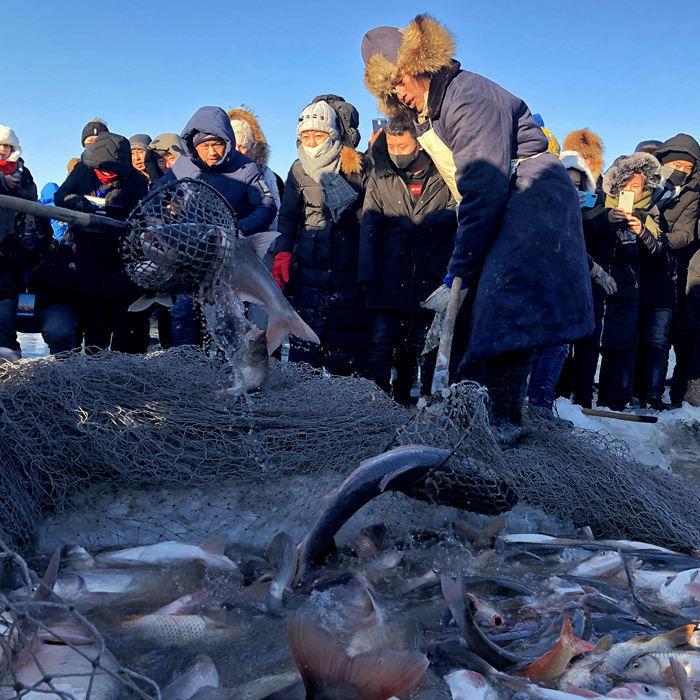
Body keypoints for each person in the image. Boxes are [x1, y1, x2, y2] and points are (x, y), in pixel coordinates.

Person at [361, 15, 593, 442]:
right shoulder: (432, 111)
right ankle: (485, 418)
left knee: (504, 311)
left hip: (530, 201)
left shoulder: (467, 97)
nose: (399, 95)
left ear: (415, 66)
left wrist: (460, 268)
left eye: (399, 83)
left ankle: (501, 426)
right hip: (507, 204)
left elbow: (483, 190)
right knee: (487, 315)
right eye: (389, 90)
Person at [157, 106, 277, 346]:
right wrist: (154, 217)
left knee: (228, 315)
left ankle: (230, 370)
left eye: (218, 145)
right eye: (204, 146)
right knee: (184, 311)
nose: (212, 152)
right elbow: (158, 193)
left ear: (228, 142)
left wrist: (240, 230)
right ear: (193, 145)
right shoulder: (181, 166)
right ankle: (187, 366)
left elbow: (266, 206)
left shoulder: (246, 168)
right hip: (191, 252)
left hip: (228, 252)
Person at [358, 114, 456, 403]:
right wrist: (366, 274)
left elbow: (456, 211)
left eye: (403, 147)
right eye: (392, 147)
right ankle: (376, 402)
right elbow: (369, 225)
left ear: (420, 146)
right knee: (380, 343)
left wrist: (427, 224)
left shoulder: (444, 174)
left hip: (430, 274)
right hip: (388, 271)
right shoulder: (380, 175)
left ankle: (408, 398)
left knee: (417, 346)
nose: (396, 153)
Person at [272, 98, 370, 376]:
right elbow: (289, 216)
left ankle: (345, 406)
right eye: (306, 135)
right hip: (308, 270)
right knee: (305, 349)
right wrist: (283, 252)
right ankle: (301, 407)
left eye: (319, 134)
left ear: (333, 134)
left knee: (346, 348)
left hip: (347, 269)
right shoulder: (297, 169)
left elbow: (370, 215)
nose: (312, 141)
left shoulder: (355, 166)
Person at [55, 131, 149, 353]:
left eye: (113, 172)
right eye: (103, 170)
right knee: (92, 316)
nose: (107, 174)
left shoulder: (136, 181)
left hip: (120, 256)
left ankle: (122, 367)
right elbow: (61, 196)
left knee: (121, 317)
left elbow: (137, 216)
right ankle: (92, 361)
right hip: (86, 251)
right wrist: (77, 202)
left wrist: (111, 212)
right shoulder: (82, 170)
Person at [585, 153, 662, 410]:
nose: (630, 189)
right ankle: (580, 397)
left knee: (619, 346)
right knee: (587, 342)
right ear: (616, 183)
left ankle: (611, 401)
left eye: (636, 185)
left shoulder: (650, 212)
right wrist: (605, 219)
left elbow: (657, 252)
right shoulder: (597, 201)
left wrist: (641, 232)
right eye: (626, 184)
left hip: (628, 289)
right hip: (594, 285)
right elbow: (580, 231)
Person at [0, 126, 78, 355]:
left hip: (44, 299)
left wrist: (41, 245)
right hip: (6, 278)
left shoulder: (23, 174)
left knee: (60, 326)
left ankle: (68, 370)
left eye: (5, 146)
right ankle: (8, 368)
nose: (2, 151)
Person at [651, 134, 700, 407]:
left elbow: (688, 233)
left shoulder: (691, 196)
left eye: (688, 169)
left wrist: (660, 241)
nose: (681, 172)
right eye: (676, 165)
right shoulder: (643, 182)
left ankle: (680, 398)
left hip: (684, 275)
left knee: (680, 342)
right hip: (663, 275)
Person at [227, 107, 283, 229]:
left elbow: (274, 214)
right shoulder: (218, 172)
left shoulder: (265, 174)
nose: (237, 152)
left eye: (242, 146)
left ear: (252, 147)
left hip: (252, 239)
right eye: (233, 147)